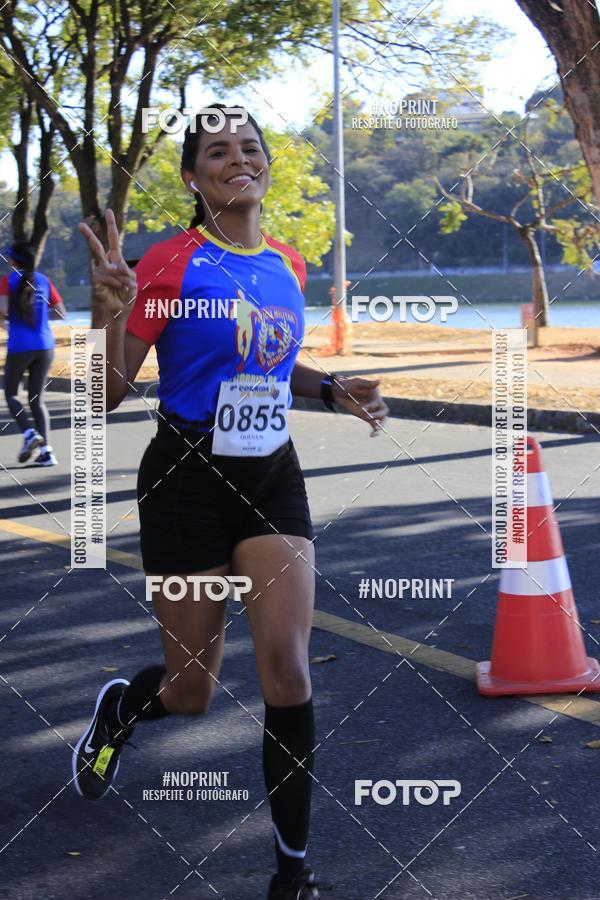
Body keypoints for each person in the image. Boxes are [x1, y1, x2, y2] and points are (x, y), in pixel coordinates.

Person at [74, 104, 389, 899]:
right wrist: (108, 312)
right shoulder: (168, 265)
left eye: (250, 148)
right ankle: (121, 710)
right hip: (184, 483)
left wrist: (333, 388)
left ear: (266, 167)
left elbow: (271, 362)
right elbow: (104, 393)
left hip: (270, 474)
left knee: (288, 671)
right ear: (192, 176)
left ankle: (293, 875)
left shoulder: (287, 263)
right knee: (192, 693)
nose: (238, 159)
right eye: (218, 151)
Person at [0, 241, 66, 466]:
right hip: (45, 345)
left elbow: (3, 309)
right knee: (37, 400)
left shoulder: (7, 281)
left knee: (11, 394)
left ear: (14, 260)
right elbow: (61, 313)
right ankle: (47, 452)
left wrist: (8, 322)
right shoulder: (44, 280)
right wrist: (41, 317)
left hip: (20, 346)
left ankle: (29, 434)